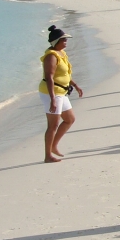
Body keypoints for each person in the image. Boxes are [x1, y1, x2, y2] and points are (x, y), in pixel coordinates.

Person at [40, 25, 84, 163]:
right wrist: (52, 99)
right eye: (63, 40)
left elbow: (64, 73)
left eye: (66, 40)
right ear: (56, 42)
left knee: (69, 119)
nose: (66, 42)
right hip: (51, 93)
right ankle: (47, 155)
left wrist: (75, 85)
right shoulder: (51, 56)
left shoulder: (62, 53)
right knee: (52, 125)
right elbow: (49, 77)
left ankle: (53, 146)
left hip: (62, 92)